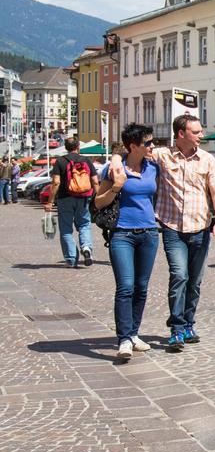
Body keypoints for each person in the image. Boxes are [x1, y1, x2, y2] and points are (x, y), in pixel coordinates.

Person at [115, 114, 215, 351]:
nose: (201, 135)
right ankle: (176, 329)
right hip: (172, 228)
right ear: (181, 134)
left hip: (200, 228)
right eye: (196, 132)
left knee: (194, 282)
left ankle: (188, 323)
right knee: (179, 276)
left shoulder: (207, 159)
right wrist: (116, 158)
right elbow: (131, 149)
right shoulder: (162, 156)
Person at [94, 124, 159, 360]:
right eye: (148, 143)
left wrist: (116, 157)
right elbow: (99, 202)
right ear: (134, 146)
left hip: (150, 233)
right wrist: (117, 187)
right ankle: (123, 339)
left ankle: (133, 334)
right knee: (126, 287)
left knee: (141, 287)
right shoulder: (113, 171)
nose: (152, 146)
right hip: (122, 234)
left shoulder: (153, 166)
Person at [46, 138, 98, 268]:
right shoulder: (86, 160)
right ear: (78, 146)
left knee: (66, 229)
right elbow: (95, 181)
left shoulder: (60, 161)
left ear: (66, 147)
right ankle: (86, 248)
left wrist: (50, 201)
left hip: (65, 198)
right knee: (84, 224)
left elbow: (56, 182)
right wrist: (97, 198)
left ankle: (71, 258)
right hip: (84, 197)